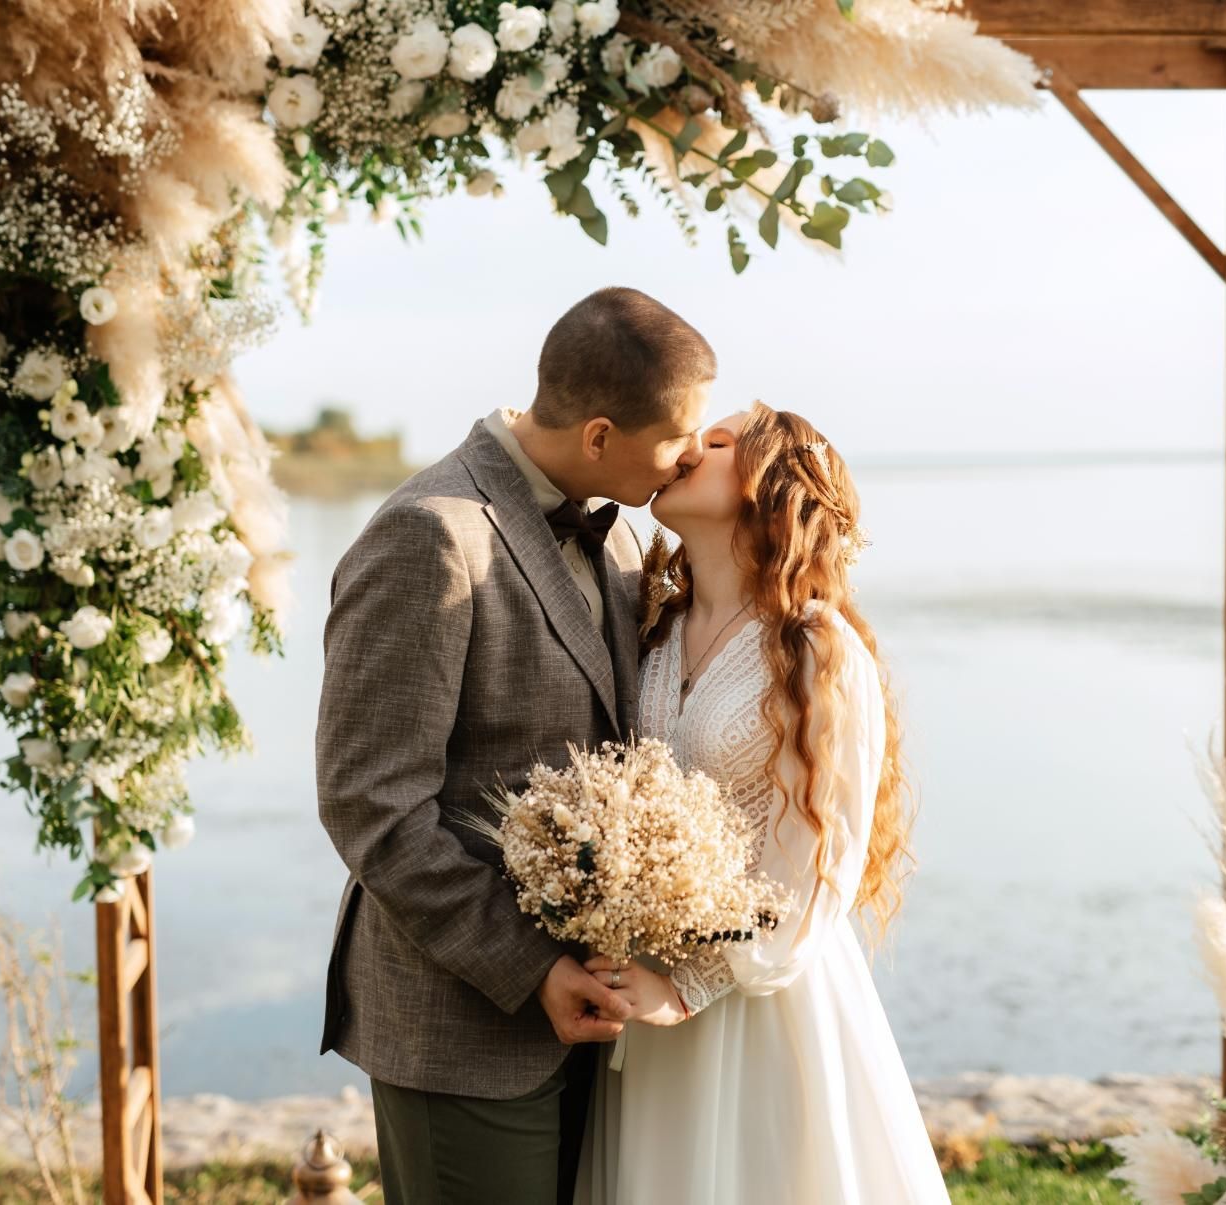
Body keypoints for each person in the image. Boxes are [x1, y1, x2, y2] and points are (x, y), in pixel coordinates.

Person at [314, 285, 714, 1205]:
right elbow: (371, 804)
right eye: (676, 437)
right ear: (602, 435)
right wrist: (531, 965)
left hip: (597, 1030)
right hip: (462, 1025)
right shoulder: (429, 536)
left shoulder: (614, 535)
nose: (689, 455)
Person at [573, 402, 948, 1205]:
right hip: (643, 984)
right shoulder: (654, 625)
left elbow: (819, 860)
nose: (683, 448)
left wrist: (690, 984)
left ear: (770, 488)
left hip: (759, 998)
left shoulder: (817, 645)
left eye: (715, 443)